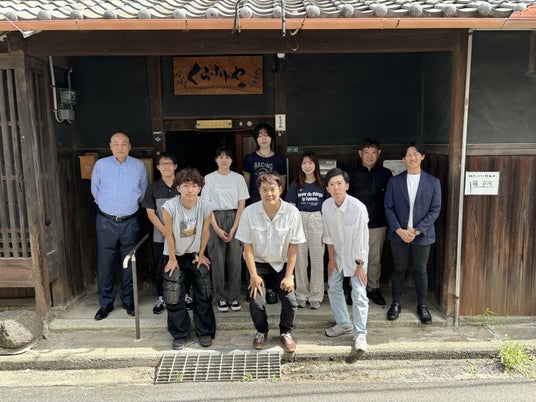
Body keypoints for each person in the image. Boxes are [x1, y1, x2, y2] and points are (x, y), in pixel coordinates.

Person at [235, 172, 305, 353]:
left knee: (290, 300)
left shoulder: (292, 212)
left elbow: (293, 246)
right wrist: (253, 275)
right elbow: (247, 246)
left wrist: (289, 276)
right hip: (258, 264)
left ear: (280, 189)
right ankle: (261, 331)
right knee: (256, 301)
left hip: (282, 265)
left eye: (272, 189)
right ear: (258, 191)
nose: (269, 194)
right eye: (264, 189)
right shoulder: (249, 212)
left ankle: (285, 332)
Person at [91, 132, 148, 320]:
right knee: (105, 262)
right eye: (116, 144)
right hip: (106, 221)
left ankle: (128, 300)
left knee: (129, 261)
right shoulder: (101, 165)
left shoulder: (138, 166)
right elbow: (95, 191)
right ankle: (105, 304)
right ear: (110, 146)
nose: (120, 147)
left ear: (130, 146)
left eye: (124, 144)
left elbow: (142, 193)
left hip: (130, 221)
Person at [384, 142, 441, 324]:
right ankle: (396, 303)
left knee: (421, 269)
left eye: (416, 154)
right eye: (408, 154)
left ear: (422, 156)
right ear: (403, 159)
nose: (412, 157)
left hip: (422, 234)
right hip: (398, 233)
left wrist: (416, 230)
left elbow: (435, 210)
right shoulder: (394, 181)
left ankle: (422, 306)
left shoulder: (433, 182)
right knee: (398, 268)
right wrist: (399, 230)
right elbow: (388, 207)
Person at [162, 168, 216, 350]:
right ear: (178, 188)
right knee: (173, 295)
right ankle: (180, 333)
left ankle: (204, 331)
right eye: (186, 185)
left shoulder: (206, 205)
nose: (190, 190)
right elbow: (168, 234)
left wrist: (201, 254)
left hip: (195, 254)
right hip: (174, 254)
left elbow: (206, 232)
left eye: (194, 186)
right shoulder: (169, 206)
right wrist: (172, 259)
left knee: (204, 292)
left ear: (200, 188)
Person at [322, 168, 370, 353]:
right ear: (327, 188)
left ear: (347, 186)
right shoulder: (326, 206)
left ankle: (361, 333)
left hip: (357, 256)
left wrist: (360, 265)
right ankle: (344, 323)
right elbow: (328, 235)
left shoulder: (357, 208)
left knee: (358, 292)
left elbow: (361, 240)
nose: (336, 188)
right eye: (332, 184)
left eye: (339, 184)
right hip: (337, 254)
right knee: (334, 286)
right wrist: (331, 259)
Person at [243, 123, 287, 304]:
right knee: (253, 248)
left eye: (266, 135)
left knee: (273, 245)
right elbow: (246, 184)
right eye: (260, 135)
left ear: (271, 138)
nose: (263, 138)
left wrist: (274, 204)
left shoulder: (279, 160)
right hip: (254, 207)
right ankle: (253, 286)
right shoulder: (249, 159)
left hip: (273, 209)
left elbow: (282, 184)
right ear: (256, 139)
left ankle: (271, 289)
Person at [202, 146, 249, 312]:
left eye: (227, 157)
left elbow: (242, 204)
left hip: (236, 217)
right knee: (217, 261)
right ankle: (221, 298)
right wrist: (216, 228)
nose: (224, 160)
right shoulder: (209, 178)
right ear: (216, 160)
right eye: (220, 157)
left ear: (231, 160)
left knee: (235, 261)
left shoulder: (238, 178)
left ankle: (234, 297)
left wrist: (235, 228)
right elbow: (206, 204)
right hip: (214, 217)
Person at [348, 137, 392, 306]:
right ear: (360, 153)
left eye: (373, 152)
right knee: (354, 258)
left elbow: (389, 199)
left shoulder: (385, 174)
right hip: (355, 224)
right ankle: (354, 288)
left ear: (379, 153)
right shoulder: (350, 174)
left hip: (378, 222)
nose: (370, 155)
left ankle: (373, 288)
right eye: (366, 152)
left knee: (374, 258)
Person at [285, 152, 329, 310]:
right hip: (300, 219)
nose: (307, 166)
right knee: (300, 259)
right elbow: (291, 206)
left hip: (318, 219)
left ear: (316, 165)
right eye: (304, 163)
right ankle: (301, 294)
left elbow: (328, 208)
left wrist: (327, 231)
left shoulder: (323, 184)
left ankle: (316, 295)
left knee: (317, 259)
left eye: (310, 163)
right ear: (301, 166)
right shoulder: (296, 184)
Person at [142, 152, 180, 314]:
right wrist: (165, 230)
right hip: (160, 236)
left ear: (175, 166)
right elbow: (150, 213)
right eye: (163, 164)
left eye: (169, 163)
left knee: (183, 265)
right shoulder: (153, 188)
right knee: (161, 266)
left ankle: (184, 295)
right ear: (158, 167)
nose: (166, 167)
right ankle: (162, 297)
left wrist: (175, 232)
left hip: (181, 236)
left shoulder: (182, 185)